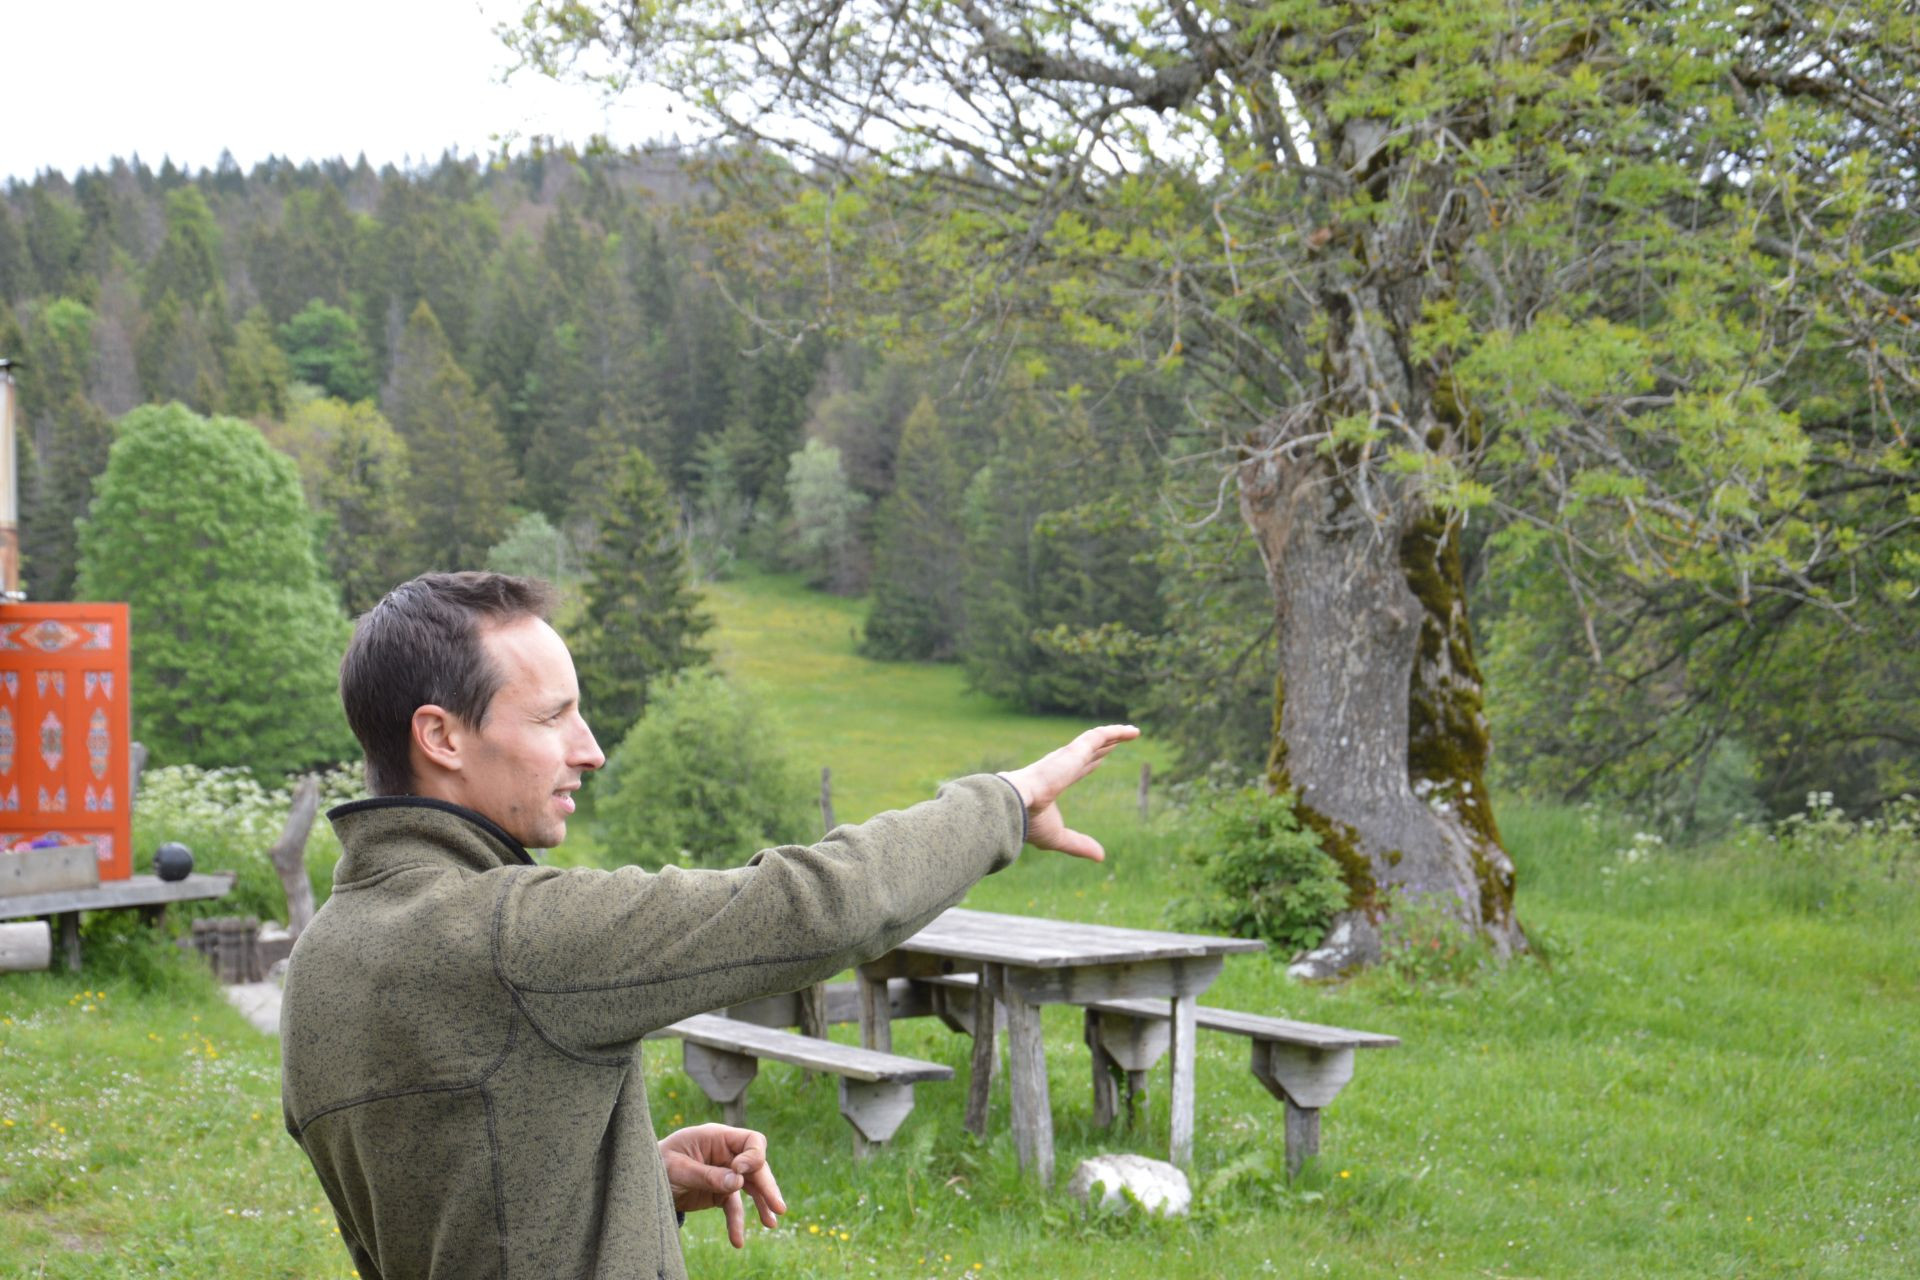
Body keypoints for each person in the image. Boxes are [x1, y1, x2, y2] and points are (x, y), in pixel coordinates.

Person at [280, 571, 1137, 1280]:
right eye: (552, 716)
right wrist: (1009, 801)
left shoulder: (325, 960)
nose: (590, 749)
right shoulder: (510, 936)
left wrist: (633, 1184)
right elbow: (818, 904)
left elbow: (452, 1211)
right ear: (440, 737)